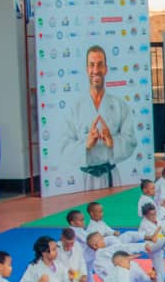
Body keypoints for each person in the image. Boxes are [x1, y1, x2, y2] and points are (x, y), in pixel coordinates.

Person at [59, 45, 138, 190]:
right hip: (84, 179)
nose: (96, 70)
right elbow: (64, 145)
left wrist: (112, 141)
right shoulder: (75, 107)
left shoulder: (120, 105)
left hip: (111, 175)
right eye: (92, 65)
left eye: (100, 65)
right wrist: (86, 144)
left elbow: (131, 141)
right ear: (86, 69)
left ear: (106, 69)